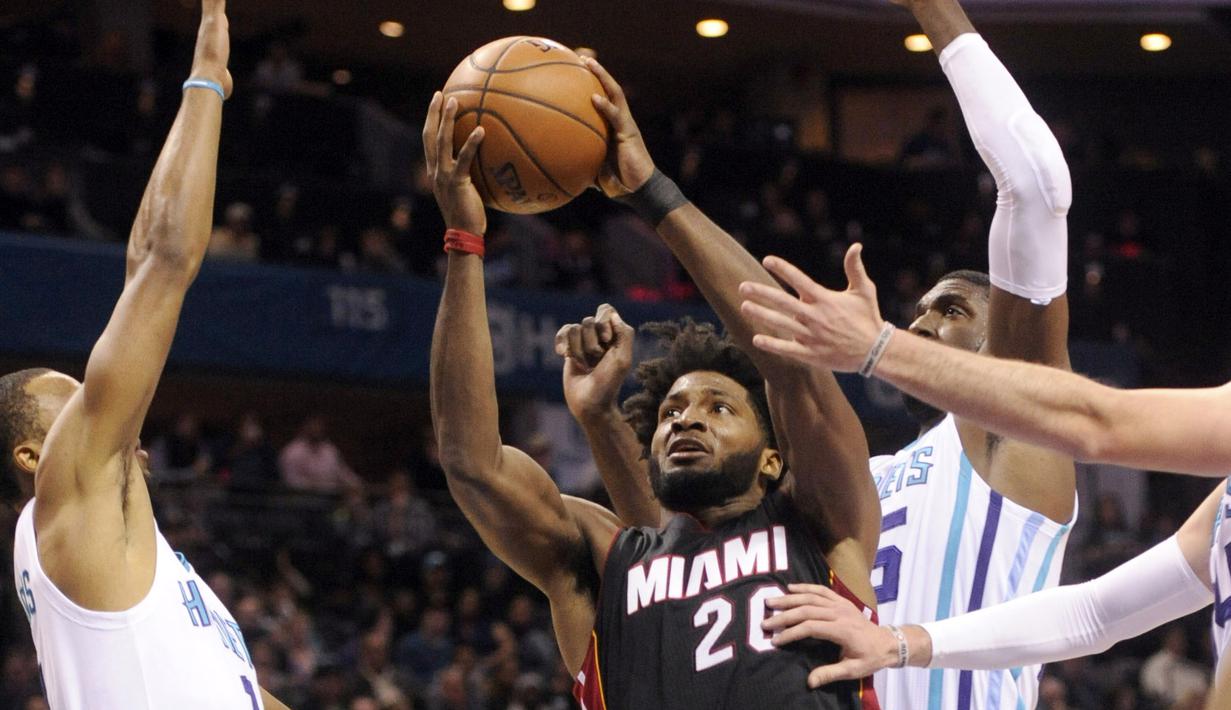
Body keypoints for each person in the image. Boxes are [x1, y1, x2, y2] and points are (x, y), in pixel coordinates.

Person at [567, 0, 1077, 706]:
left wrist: (929, 7)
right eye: (919, 309)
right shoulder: (851, 485)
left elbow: (1034, 184)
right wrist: (601, 421)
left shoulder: (1014, 438)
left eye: (951, 310)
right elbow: (672, 550)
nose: (919, 325)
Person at [424, 55, 882, 707]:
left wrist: (650, 191)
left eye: (719, 408)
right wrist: (464, 241)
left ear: (773, 460)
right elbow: (470, 463)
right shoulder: (602, 560)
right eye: (670, 412)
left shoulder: (820, 528)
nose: (685, 419)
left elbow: (790, 357)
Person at [2, 2, 287, 706]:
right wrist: (207, 83)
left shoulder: (162, 579)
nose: (112, 407)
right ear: (34, 458)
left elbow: (139, 272)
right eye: (79, 405)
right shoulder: (62, 507)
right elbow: (165, 261)